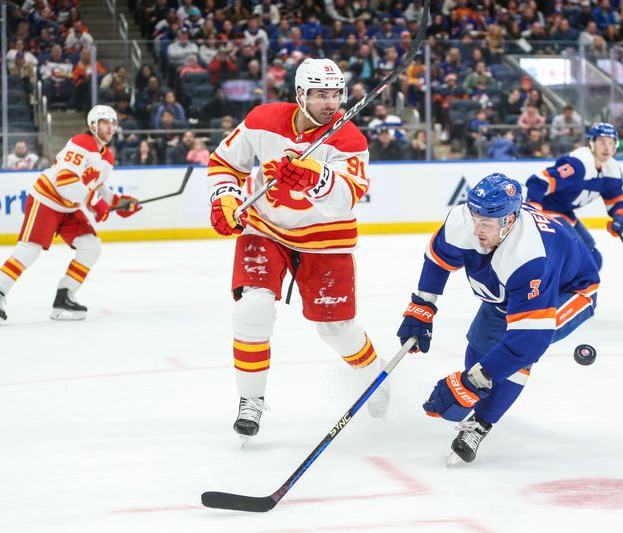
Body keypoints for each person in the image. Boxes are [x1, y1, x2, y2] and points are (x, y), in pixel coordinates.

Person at [206, 58, 389, 446]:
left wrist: (316, 178)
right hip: (265, 228)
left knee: (336, 330)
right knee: (252, 307)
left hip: (326, 239)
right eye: (320, 94)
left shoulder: (349, 139)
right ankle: (251, 399)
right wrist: (223, 198)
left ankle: (375, 375)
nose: (330, 102)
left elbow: (348, 199)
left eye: (336, 93)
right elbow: (225, 162)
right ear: (300, 94)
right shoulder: (263, 119)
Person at [396, 174, 600, 465]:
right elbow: (439, 258)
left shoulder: (528, 256)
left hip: (570, 291)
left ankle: (480, 425)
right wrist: (422, 305)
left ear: (510, 220)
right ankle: (486, 395)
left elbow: (528, 342)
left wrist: (471, 381)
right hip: (508, 292)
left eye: (486, 224)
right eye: (474, 217)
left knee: (513, 357)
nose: (476, 229)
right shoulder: (464, 221)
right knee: (481, 342)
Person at [0, 106, 141, 324]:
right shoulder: (80, 143)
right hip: (46, 199)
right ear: (93, 125)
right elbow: (65, 180)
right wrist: (96, 203)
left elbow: (98, 187)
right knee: (29, 250)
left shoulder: (108, 159)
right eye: (105, 122)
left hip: (69, 207)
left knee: (91, 246)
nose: (111, 126)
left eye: (113, 122)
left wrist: (120, 202)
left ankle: (64, 297)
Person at [524, 122, 623, 271]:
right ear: (591, 143)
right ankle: (551, 288)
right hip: (546, 211)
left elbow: (617, 200)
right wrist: (532, 212)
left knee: (593, 258)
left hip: (564, 213)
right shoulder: (579, 164)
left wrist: (620, 218)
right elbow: (538, 181)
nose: (607, 147)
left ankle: (569, 291)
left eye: (611, 143)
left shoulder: (611, 170)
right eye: (601, 142)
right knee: (579, 256)